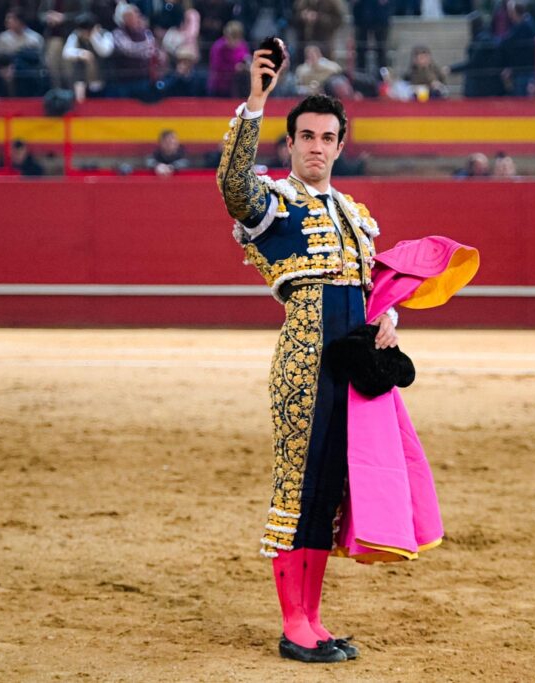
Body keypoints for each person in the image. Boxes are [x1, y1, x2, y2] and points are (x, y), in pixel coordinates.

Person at [216, 40, 400, 664]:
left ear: (340, 146)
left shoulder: (355, 214)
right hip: (304, 362)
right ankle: (293, 623)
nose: (316, 147)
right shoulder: (274, 203)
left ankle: (313, 619)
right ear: (290, 144)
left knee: (328, 491)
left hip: (351, 366)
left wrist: (388, 316)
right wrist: (255, 101)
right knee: (298, 487)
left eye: (327, 137)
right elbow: (232, 185)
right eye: (306, 137)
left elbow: (373, 289)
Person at [63, 12, 114, 101]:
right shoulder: (76, 35)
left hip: (102, 77)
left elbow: (105, 52)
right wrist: (81, 53)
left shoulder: (105, 34)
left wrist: (93, 37)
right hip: (82, 78)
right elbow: (66, 53)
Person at [207, 20, 250, 97]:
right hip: (219, 87)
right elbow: (216, 66)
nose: (235, 41)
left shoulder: (242, 45)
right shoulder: (218, 47)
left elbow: (246, 57)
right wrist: (235, 68)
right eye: (232, 37)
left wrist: (247, 64)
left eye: (237, 37)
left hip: (237, 87)